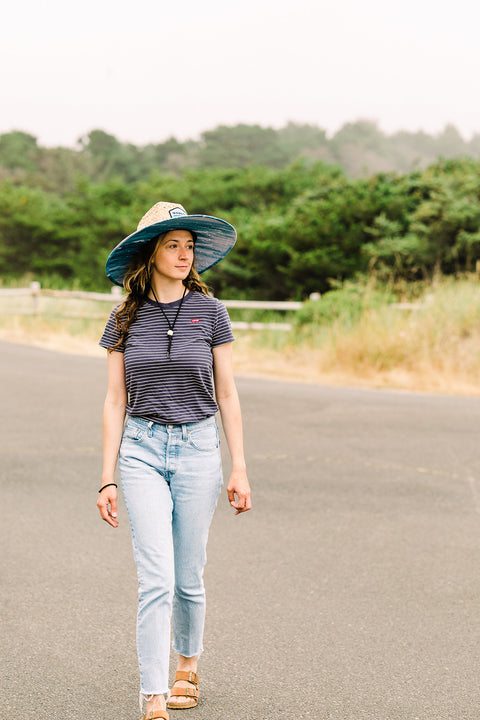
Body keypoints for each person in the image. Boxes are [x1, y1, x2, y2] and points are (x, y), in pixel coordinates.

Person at [97, 201, 251, 720]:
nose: (184, 254)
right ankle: (154, 693)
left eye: (189, 245)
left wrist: (240, 467)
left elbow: (227, 394)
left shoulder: (211, 312)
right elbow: (115, 399)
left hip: (199, 451)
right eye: (172, 244)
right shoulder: (124, 317)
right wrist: (106, 477)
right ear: (150, 252)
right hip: (140, 450)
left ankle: (187, 664)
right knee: (156, 577)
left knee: (188, 575)